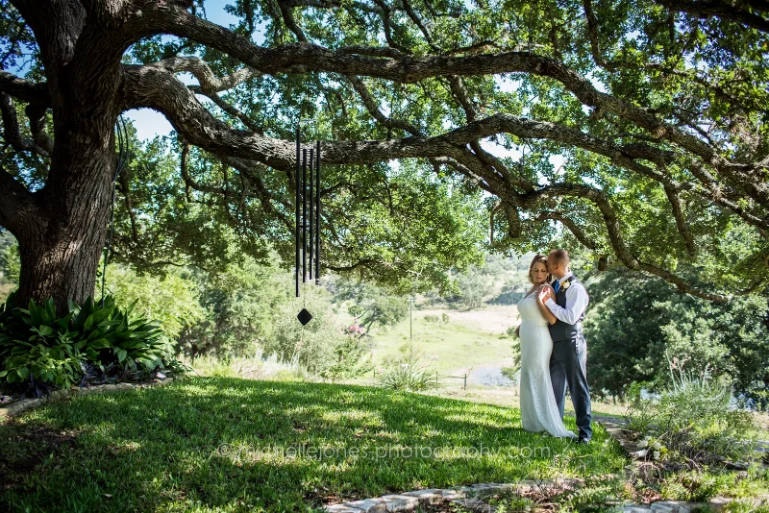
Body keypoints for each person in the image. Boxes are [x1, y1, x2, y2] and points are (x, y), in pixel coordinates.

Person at [515, 254, 576, 439]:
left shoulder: (546, 289)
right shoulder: (533, 288)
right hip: (528, 337)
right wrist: (520, 327)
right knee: (527, 376)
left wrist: (541, 302)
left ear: (548, 272)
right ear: (531, 271)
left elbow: (551, 319)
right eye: (535, 270)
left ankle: (548, 423)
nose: (539, 273)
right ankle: (532, 423)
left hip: (539, 339)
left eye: (542, 270)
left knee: (538, 376)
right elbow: (530, 313)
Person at [538, 249, 593, 443]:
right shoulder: (555, 285)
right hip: (555, 344)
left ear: (558, 266)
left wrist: (549, 304)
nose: (548, 269)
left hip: (571, 343)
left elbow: (570, 317)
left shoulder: (576, 289)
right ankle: (555, 427)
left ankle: (585, 434)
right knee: (554, 388)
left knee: (578, 388)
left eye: (550, 266)